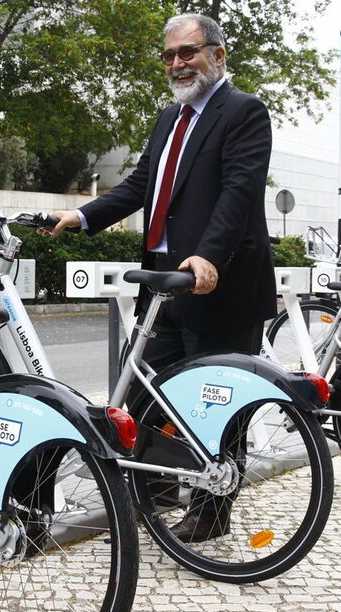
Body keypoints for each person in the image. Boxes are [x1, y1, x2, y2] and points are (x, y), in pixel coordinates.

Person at [44, 13, 275, 542]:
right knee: (147, 389)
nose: (177, 64)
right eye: (169, 55)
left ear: (217, 54)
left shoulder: (243, 112)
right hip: (162, 283)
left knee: (216, 402)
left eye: (188, 52)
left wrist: (208, 257)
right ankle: (160, 483)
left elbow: (239, 195)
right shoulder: (169, 119)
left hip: (218, 282)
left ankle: (214, 509)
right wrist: (81, 216)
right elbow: (140, 185)